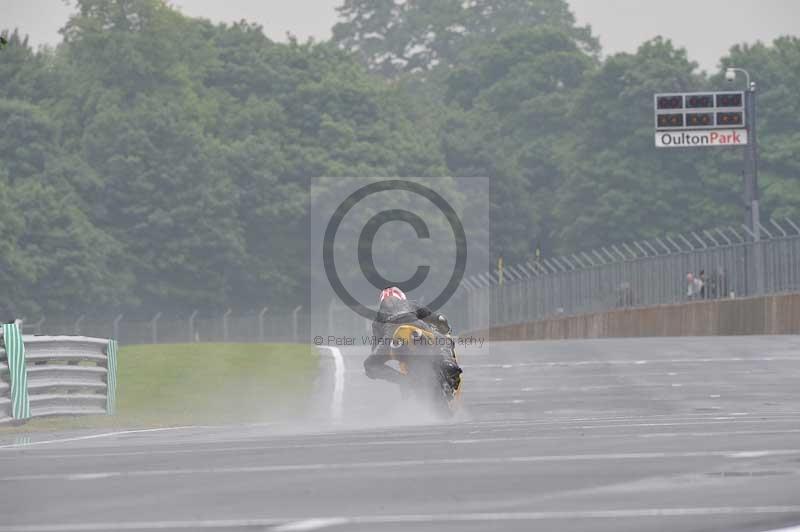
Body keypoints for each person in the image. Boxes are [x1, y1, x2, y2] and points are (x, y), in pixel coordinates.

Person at [363, 286, 458, 385]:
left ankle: (404, 381)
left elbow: (375, 348)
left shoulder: (378, 318)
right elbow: (440, 319)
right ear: (402, 297)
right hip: (418, 327)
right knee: (444, 340)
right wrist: (445, 329)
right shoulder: (411, 304)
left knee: (370, 365)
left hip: (393, 338)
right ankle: (447, 363)